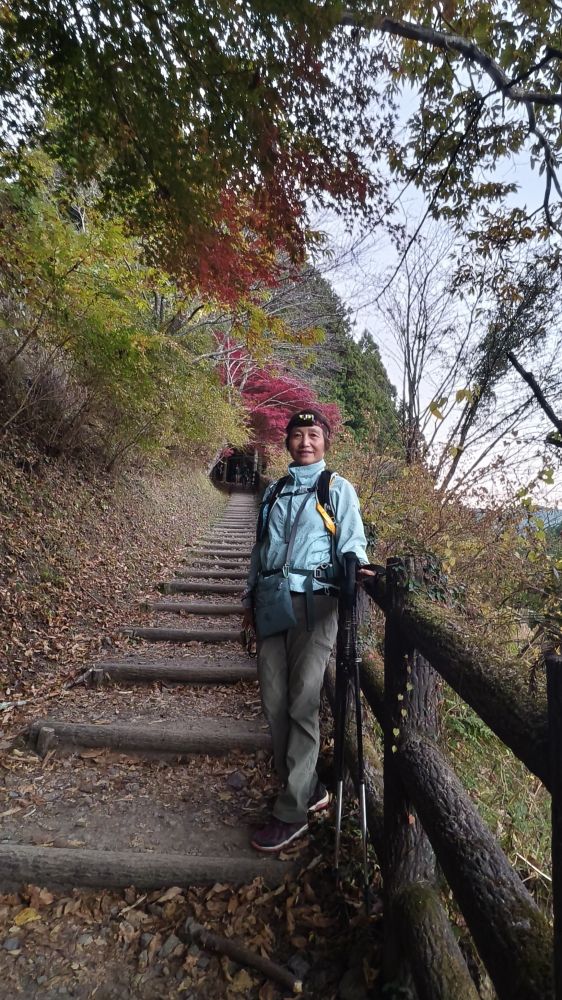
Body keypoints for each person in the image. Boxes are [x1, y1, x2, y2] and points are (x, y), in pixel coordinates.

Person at [242, 409, 368, 853]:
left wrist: (356, 569)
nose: (305, 442)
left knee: (302, 700)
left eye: (313, 434)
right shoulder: (275, 491)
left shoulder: (336, 488)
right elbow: (261, 548)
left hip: (317, 603)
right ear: (288, 442)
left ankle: (292, 809)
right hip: (272, 600)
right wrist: (248, 598)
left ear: (325, 441)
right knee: (273, 699)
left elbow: (353, 542)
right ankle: (309, 786)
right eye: (298, 435)